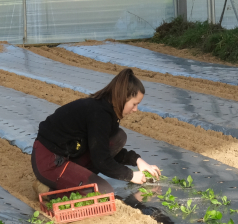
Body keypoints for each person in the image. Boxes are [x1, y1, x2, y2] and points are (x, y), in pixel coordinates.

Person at [32, 67, 160, 196]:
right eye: (134, 104)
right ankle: (47, 189)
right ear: (122, 98)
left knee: (118, 137)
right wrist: (131, 175)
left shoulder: (107, 112)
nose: (136, 109)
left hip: (69, 153)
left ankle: (72, 178)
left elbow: (101, 147)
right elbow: (101, 160)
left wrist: (137, 160)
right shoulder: (99, 114)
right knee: (103, 192)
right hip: (49, 161)